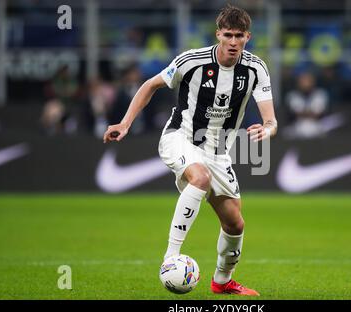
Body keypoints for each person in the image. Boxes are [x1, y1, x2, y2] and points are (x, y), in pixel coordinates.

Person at [103, 4, 277, 296]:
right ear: (218, 34)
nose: (233, 42)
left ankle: (222, 282)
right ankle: (171, 257)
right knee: (200, 178)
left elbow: (271, 120)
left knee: (235, 223)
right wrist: (125, 122)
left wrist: (267, 129)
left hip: (219, 152)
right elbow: (150, 85)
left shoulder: (256, 68)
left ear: (248, 36)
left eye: (239, 36)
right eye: (228, 35)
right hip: (180, 137)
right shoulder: (191, 61)